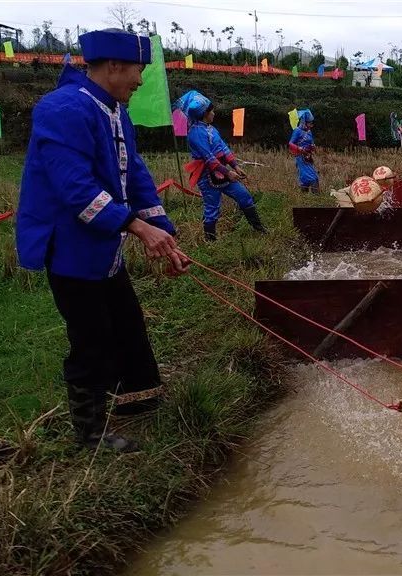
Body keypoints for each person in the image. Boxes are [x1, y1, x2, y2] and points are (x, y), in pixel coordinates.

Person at [16, 29, 189, 453]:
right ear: (113, 66)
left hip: (104, 244)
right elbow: (75, 189)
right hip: (72, 245)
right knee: (91, 337)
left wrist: (161, 230)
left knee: (127, 322)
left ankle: (139, 400)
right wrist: (136, 227)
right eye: (137, 71)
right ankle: (90, 435)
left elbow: (137, 177)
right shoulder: (62, 109)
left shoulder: (115, 111)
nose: (141, 81)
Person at [176, 90, 266, 241]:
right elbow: (209, 158)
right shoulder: (195, 134)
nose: (214, 113)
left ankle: (259, 229)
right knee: (212, 209)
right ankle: (210, 242)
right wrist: (228, 172)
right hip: (207, 176)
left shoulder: (211, 129)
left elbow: (223, 148)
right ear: (205, 113)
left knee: (244, 196)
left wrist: (235, 166)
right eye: (212, 111)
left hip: (222, 173)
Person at [289, 109, 320, 193]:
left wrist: (313, 147)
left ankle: (313, 196)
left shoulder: (309, 132)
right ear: (304, 122)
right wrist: (299, 148)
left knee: (314, 175)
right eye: (309, 123)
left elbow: (312, 142)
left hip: (308, 157)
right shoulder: (297, 131)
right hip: (300, 157)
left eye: (311, 123)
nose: (311, 125)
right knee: (308, 176)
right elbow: (291, 143)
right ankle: (306, 194)